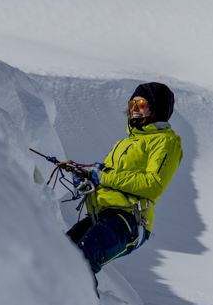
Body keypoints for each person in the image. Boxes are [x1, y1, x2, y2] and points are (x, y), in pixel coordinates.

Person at [67, 82, 183, 285]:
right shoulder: (124, 143)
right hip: (100, 215)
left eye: (141, 103)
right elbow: (109, 177)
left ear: (157, 108)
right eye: (132, 102)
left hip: (129, 219)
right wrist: (87, 177)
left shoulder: (165, 141)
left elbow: (153, 184)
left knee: (83, 258)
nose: (134, 107)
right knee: (60, 250)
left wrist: (102, 177)